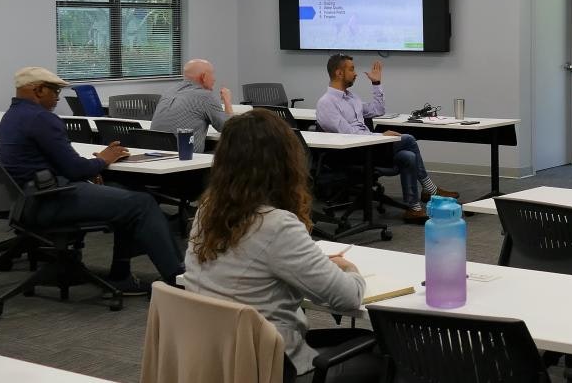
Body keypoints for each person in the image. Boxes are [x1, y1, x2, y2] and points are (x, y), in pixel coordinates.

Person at [182, 109, 379, 383]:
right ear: (286, 162)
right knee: (384, 351)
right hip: (269, 363)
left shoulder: (207, 210)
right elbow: (347, 297)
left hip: (216, 356)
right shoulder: (276, 225)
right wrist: (349, 268)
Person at [0, 67, 184, 293]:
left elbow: (52, 161)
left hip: (30, 200)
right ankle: (178, 280)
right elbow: (75, 169)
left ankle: (121, 275)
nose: (57, 97)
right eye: (54, 91)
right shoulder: (41, 118)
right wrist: (102, 161)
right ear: (38, 90)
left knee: (121, 191)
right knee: (142, 203)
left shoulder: (11, 116)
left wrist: (91, 168)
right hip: (51, 200)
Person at [315, 54, 457, 223]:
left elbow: (378, 110)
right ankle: (429, 189)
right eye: (351, 69)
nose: (356, 73)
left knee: (408, 156)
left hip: (368, 146)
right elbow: (347, 133)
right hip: (352, 152)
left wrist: (376, 84)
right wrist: (380, 136)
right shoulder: (326, 103)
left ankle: (414, 208)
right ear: (339, 73)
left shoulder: (352, 97)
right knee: (409, 139)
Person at [150, 59, 234, 153]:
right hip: (187, 159)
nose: (214, 79)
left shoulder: (169, 91)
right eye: (212, 74)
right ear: (204, 77)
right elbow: (230, 129)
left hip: (157, 155)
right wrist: (227, 100)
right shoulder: (205, 96)